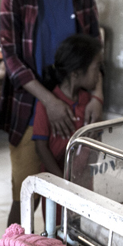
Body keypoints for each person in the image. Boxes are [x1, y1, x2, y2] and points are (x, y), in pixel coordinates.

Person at [0, 0, 104, 227]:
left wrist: (98, 97)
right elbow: (12, 60)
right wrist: (49, 101)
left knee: (73, 197)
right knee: (26, 197)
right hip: (31, 111)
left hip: (77, 110)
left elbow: (95, 53)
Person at [33, 34, 104, 178]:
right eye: (96, 68)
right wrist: (62, 181)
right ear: (76, 73)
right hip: (55, 184)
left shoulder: (89, 104)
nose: (99, 75)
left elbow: (94, 153)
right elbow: (41, 148)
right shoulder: (46, 106)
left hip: (82, 180)